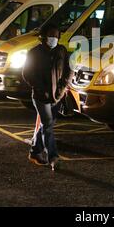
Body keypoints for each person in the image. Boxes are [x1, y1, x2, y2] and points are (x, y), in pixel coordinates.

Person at [22, 23, 72, 170]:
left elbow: (69, 71)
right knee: (48, 125)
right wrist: (40, 88)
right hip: (40, 96)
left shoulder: (61, 51)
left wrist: (62, 88)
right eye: (51, 35)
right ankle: (53, 157)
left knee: (46, 125)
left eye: (56, 36)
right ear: (44, 37)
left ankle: (35, 152)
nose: (54, 38)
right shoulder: (34, 52)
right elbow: (27, 73)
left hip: (57, 96)